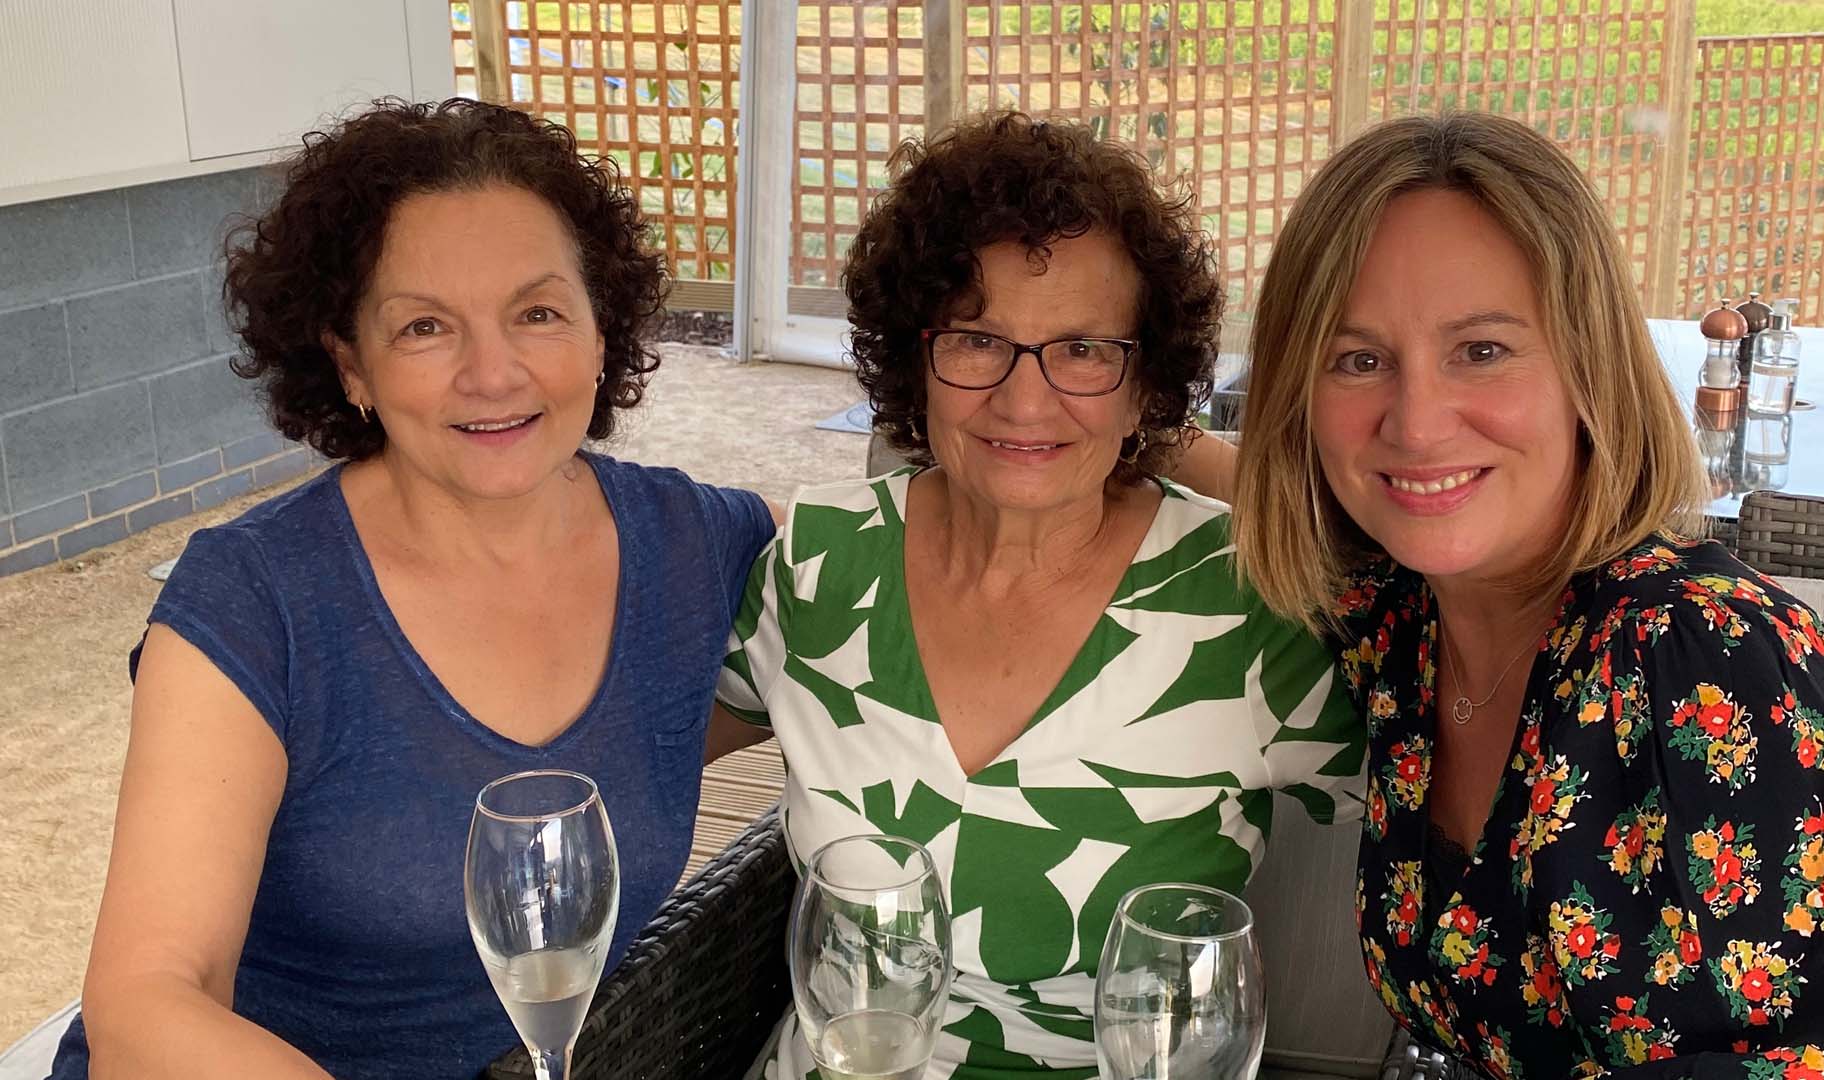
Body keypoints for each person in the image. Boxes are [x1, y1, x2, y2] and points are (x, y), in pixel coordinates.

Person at [51, 99, 773, 1079]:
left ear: (602, 331)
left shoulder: (705, 548)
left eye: (538, 311)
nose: (493, 372)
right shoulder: (257, 601)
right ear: (351, 364)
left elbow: (930, 596)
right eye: (426, 326)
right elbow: (145, 1007)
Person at [1232, 111, 1824, 1079]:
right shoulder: (1406, 626)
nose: (1417, 423)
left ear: (1586, 367)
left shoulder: (1707, 661)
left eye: (1481, 350)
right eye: (1358, 360)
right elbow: (1267, 478)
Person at [707, 110, 1365, 1079]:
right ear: (911, 356)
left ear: (1151, 381)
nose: (1024, 400)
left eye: (1085, 350)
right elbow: (641, 762)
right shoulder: (818, 563)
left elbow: (1470, 808)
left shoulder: (1249, 602)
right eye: (977, 340)